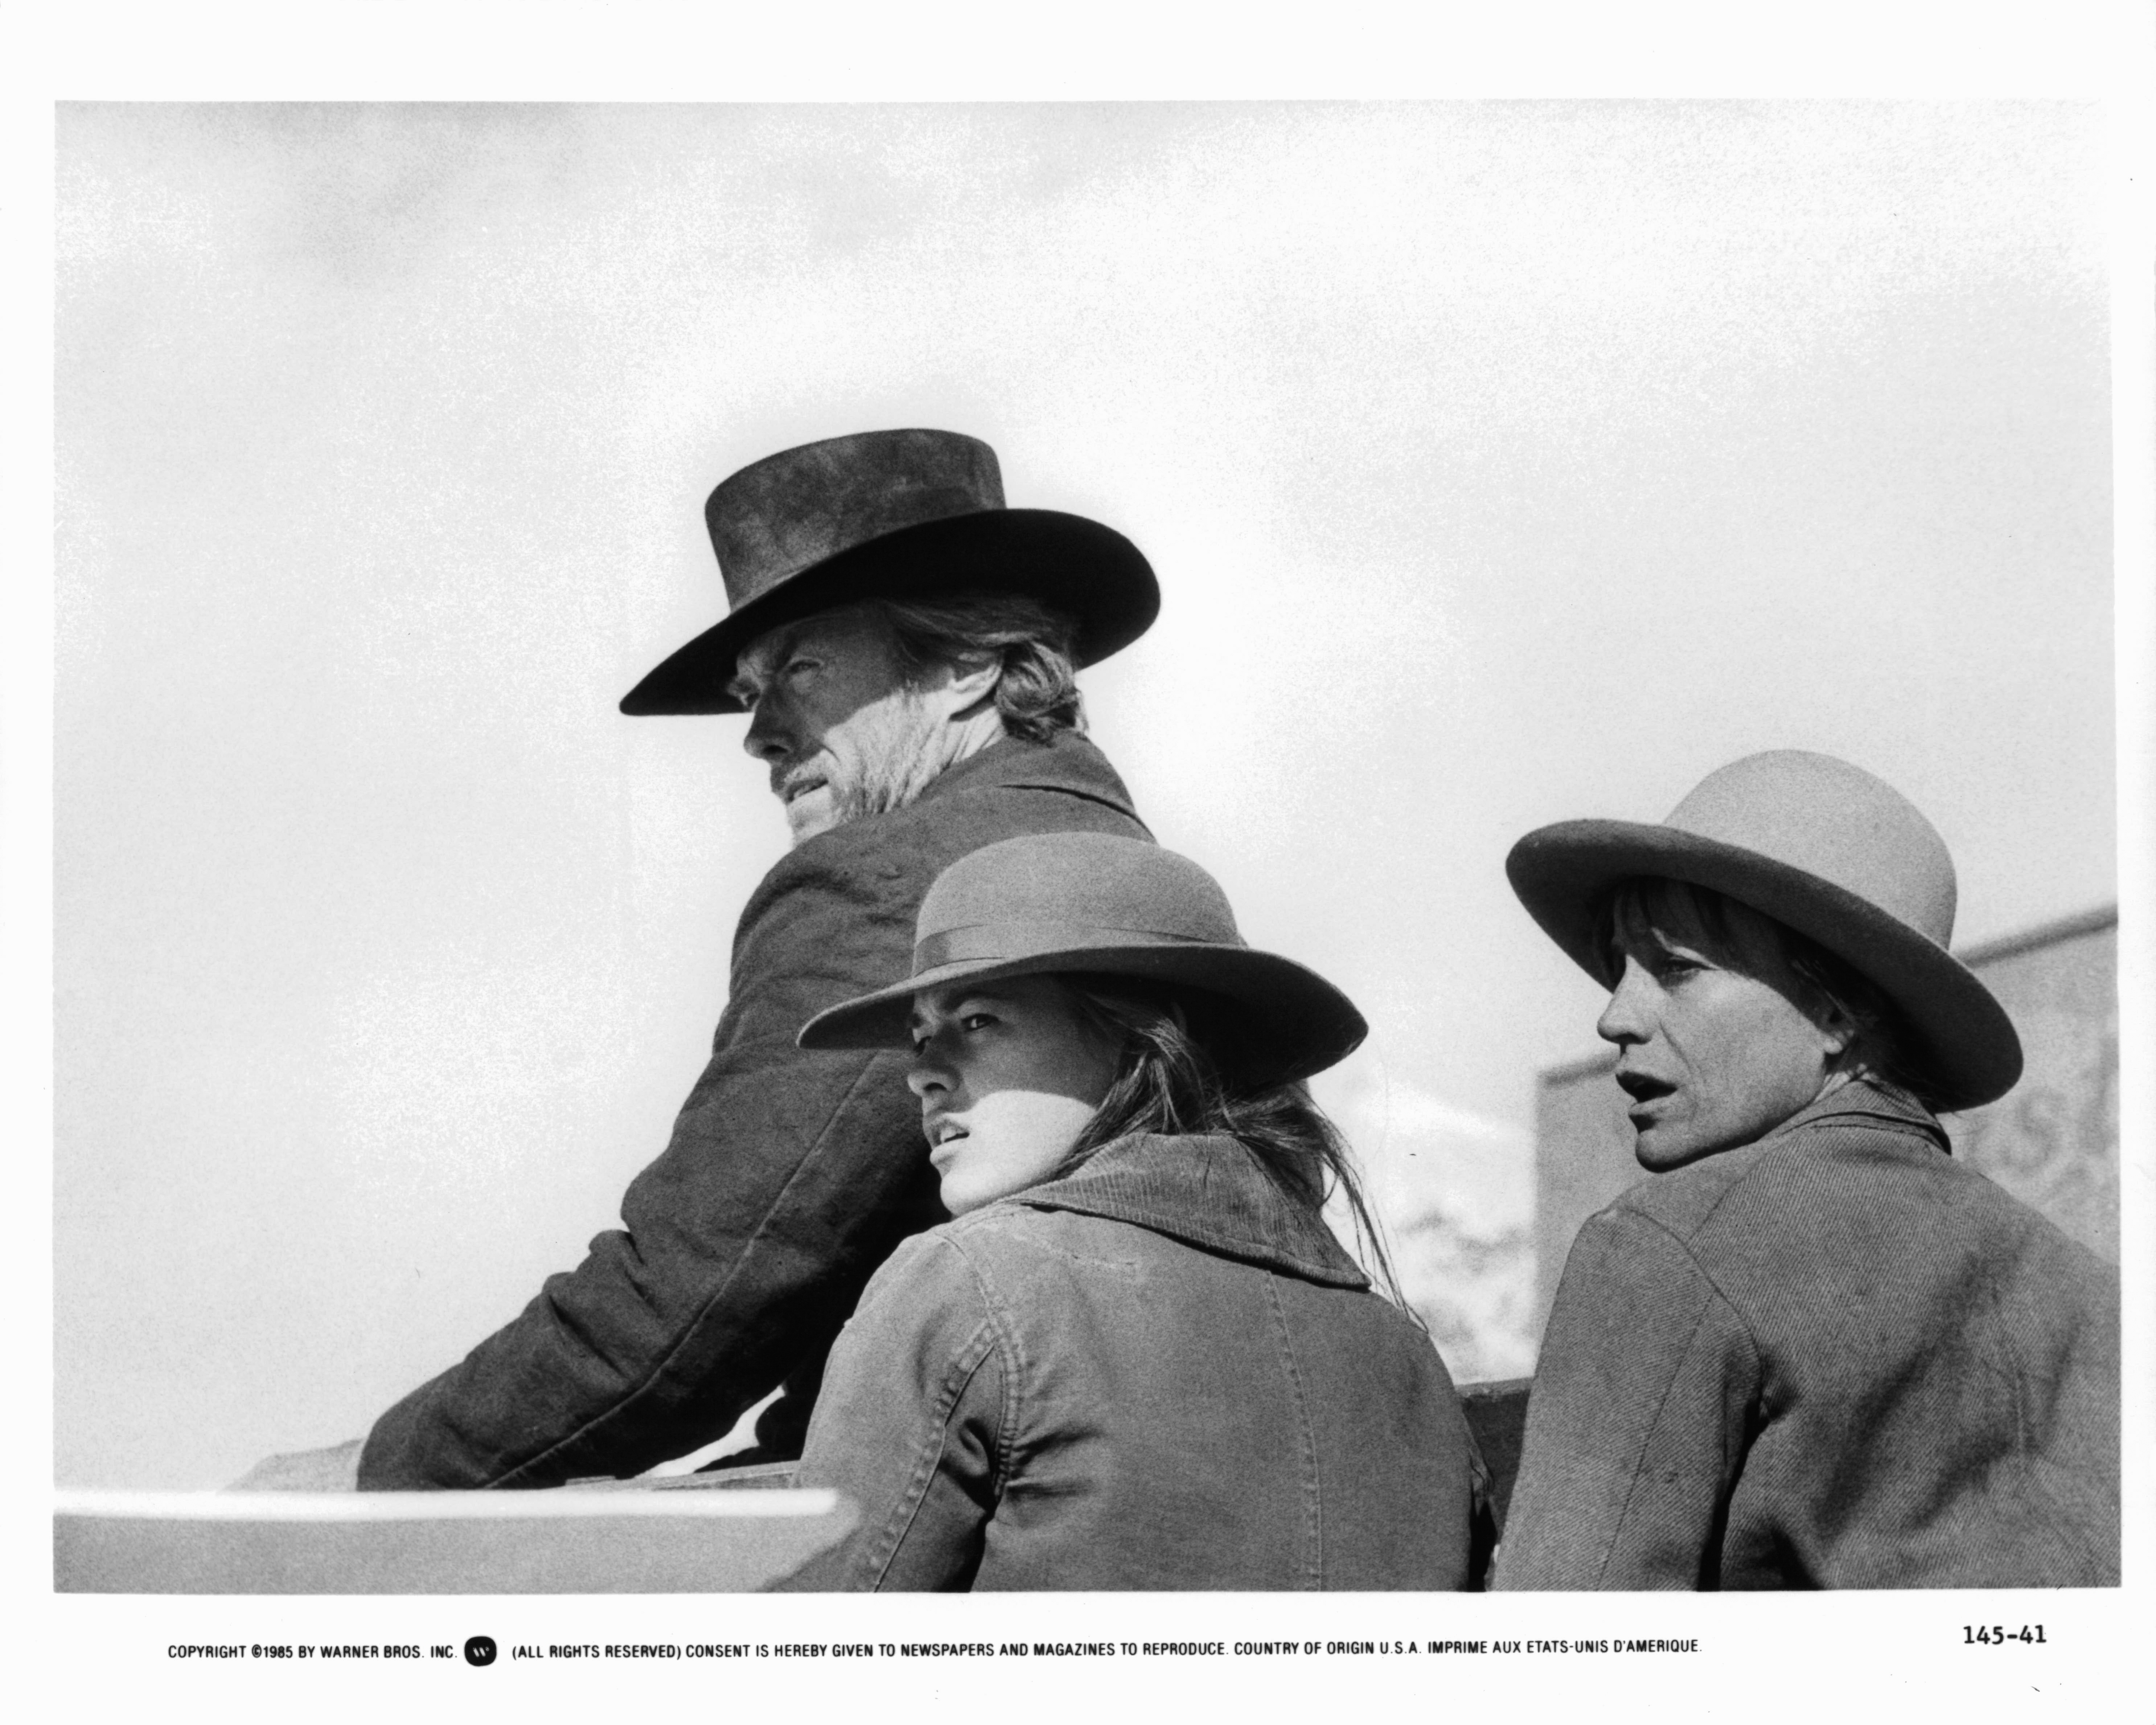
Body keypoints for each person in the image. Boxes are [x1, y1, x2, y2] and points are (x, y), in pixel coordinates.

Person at [238, 428, 1159, 1490]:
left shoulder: (894, 879)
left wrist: (370, 1480)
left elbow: (692, 1301)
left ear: (962, 667)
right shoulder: (1125, 859)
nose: (759, 735)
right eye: (746, 691)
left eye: (801, 670)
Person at [776, 831, 1485, 1590]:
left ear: (1139, 1038)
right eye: (919, 1036)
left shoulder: (964, 1286)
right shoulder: (1401, 1353)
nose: (921, 1074)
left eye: (977, 1020)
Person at [1492, 750, 2120, 1590]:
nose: (1614, 1015)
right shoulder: (2090, 1292)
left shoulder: (1661, 1246)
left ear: (1837, 1009)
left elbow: (1560, 1667)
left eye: (1675, 967)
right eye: (1618, 968)